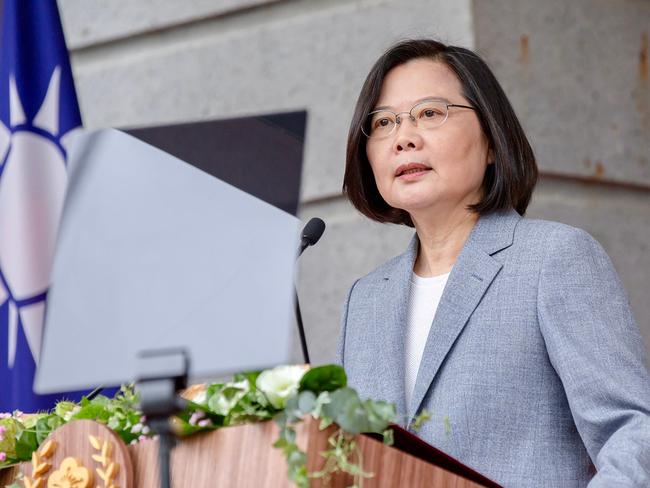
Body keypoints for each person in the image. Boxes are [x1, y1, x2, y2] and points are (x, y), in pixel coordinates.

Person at [337, 38, 650, 488]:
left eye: (429, 113)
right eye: (384, 122)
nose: (403, 137)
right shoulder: (364, 300)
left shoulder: (553, 259)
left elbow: (633, 433)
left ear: (491, 139)